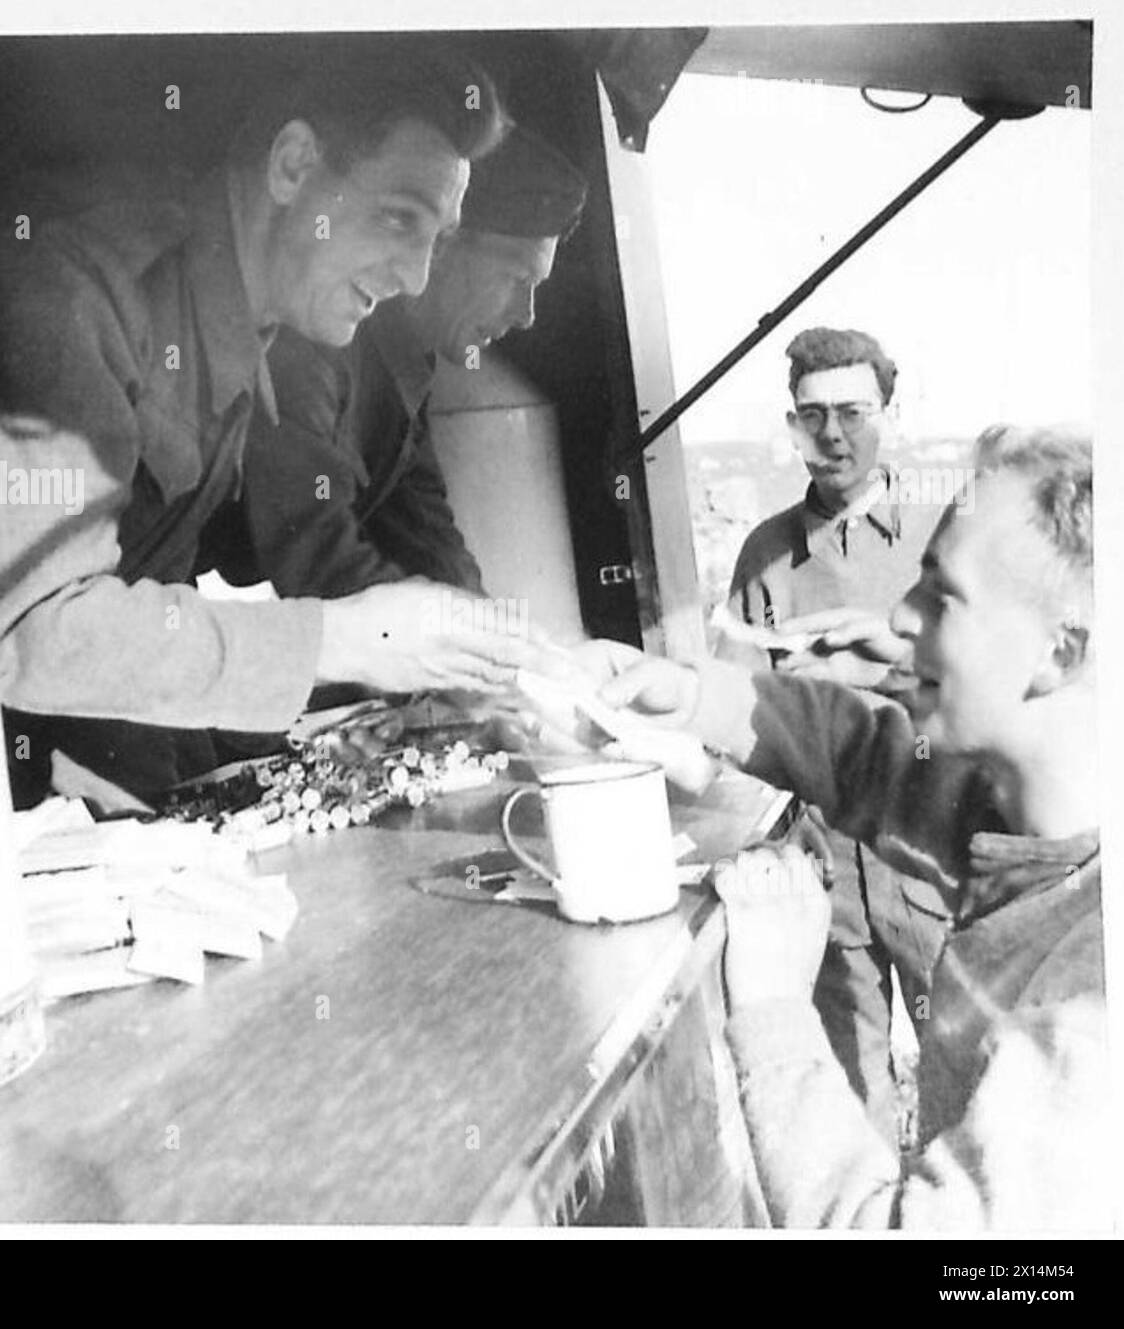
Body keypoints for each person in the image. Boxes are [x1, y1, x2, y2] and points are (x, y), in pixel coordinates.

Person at [0, 46, 548, 801]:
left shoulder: (256, 329)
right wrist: (350, 637)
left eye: (439, 239)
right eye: (398, 218)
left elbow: (149, 609)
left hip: (95, 752)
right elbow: (37, 625)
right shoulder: (82, 293)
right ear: (293, 167)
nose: (416, 275)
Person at [580, 427, 1106, 1229]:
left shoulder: (1091, 1005)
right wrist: (693, 697)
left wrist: (770, 1004)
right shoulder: (1018, 814)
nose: (899, 613)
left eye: (943, 593)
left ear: (1060, 651)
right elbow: (865, 754)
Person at [718, 327, 948, 1145]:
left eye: (853, 411)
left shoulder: (943, 537)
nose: (833, 435)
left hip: (931, 851)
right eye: (811, 415)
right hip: (823, 866)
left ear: (891, 413)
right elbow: (733, 706)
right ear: (791, 425)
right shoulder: (762, 555)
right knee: (852, 1095)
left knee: (965, 1071)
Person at [199, 125, 588, 599]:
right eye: (516, 278)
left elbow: (426, 532)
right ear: (445, 247)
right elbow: (321, 561)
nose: (526, 315)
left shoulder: (405, 367)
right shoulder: (314, 348)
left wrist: (508, 650)